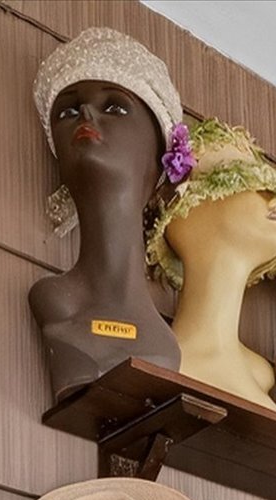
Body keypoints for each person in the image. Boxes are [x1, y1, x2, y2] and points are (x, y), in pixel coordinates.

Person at [25, 27, 187, 401]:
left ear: (161, 154)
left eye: (114, 107)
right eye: (67, 111)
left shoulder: (165, 340)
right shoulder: (54, 303)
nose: (85, 113)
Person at [149, 120, 276, 408]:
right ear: (192, 208)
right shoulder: (161, 353)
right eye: (255, 188)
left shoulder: (263, 374)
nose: (274, 203)